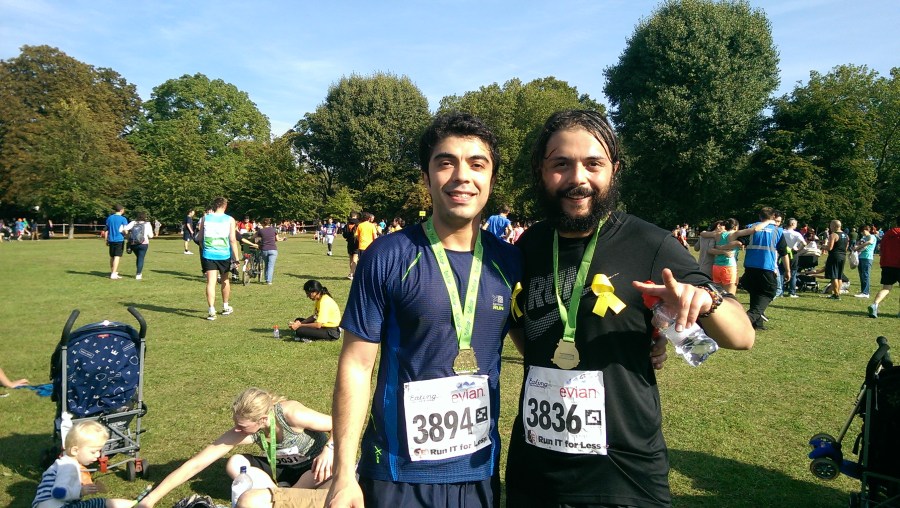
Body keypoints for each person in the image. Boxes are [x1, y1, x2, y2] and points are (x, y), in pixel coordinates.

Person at [504, 109, 755, 507]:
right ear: (541, 171)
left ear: (614, 170)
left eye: (593, 164)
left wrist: (709, 300)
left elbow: (742, 336)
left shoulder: (650, 243)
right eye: (561, 164)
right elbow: (522, 325)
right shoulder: (529, 246)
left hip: (623, 475)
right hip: (535, 473)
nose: (578, 179)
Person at [326, 113, 522, 508]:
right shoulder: (387, 255)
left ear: (492, 178)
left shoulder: (511, 261)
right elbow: (356, 366)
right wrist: (344, 474)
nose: (462, 176)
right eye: (446, 162)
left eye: (477, 164)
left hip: (479, 472)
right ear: (426, 176)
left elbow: (540, 348)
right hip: (398, 473)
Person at [136, 388, 333, 508]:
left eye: (242, 426)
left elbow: (340, 425)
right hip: (281, 469)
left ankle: (281, 497)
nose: (237, 429)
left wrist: (329, 450)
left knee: (318, 472)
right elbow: (197, 463)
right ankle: (276, 495)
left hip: (313, 467)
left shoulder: (291, 414)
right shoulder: (248, 429)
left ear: (263, 419)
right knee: (235, 462)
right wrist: (151, 499)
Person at [34, 420, 133, 508]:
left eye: (99, 451)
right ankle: (136, 504)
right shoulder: (68, 466)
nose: (98, 455)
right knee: (101, 503)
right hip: (58, 505)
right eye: (93, 452)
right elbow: (58, 492)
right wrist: (81, 491)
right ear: (75, 451)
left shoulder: (63, 462)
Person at [736, 207, 787, 330]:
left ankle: (758, 324)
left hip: (750, 266)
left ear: (760, 216)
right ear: (773, 216)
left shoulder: (750, 227)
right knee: (769, 293)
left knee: (756, 292)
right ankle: (747, 319)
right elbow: (783, 252)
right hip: (766, 267)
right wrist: (788, 270)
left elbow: (740, 242)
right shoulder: (777, 231)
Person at [196, 197, 240, 320]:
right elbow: (232, 239)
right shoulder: (230, 219)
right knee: (225, 279)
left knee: (211, 282)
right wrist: (236, 258)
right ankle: (225, 306)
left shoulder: (205, 218)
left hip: (209, 253)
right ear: (225, 206)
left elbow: (200, 238)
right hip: (224, 253)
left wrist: (204, 248)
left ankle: (211, 310)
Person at [869, 215, 900, 318]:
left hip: (887, 264)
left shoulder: (887, 234)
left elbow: (881, 248)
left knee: (886, 288)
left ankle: (875, 304)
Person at [121, 212, 154, 280]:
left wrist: (128, 237)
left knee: (138, 257)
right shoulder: (147, 224)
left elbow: (124, 229)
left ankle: (139, 272)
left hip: (133, 243)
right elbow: (151, 236)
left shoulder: (133, 223)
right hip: (143, 243)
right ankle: (138, 274)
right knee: (141, 258)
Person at [822, 219, 849, 299]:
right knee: (839, 276)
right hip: (843, 256)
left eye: (831, 225)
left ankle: (836, 295)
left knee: (834, 276)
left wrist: (823, 246)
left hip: (834, 256)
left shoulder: (833, 235)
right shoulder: (846, 235)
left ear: (834, 226)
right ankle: (838, 293)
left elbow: (830, 248)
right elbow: (846, 248)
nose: (830, 227)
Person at [254, 218, 285, 285]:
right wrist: (282, 239)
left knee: (266, 264)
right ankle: (269, 280)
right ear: (269, 223)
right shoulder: (273, 230)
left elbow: (253, 237)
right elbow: (277, 239)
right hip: (273, 249)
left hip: (264, 249)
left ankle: (266, 278)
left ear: (262, 223)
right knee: (271, 265)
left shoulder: (260, 231)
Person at [782, 218, 807, 297]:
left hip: (783, 252)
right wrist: (799, 250)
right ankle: (792, 292)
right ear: (792, 224)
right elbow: (804, 243)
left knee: (782, 271)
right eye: (796, 224)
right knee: (793, 272)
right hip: (793, 252)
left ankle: (780, 290)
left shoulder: (782, 232)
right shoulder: (796, 234)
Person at [105, 205, 129, 280]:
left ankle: (113, 272)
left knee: (112, 256)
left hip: (111, 239)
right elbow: (125, 230)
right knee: (117, 256)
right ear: (121, 210)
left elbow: (107, 229)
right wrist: (127, 235)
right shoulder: (123, 219)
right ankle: (113, 274)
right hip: (119, 239)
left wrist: (106, 239)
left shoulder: (109, 218)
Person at [853, 225, 877, 298]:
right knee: (861, 275)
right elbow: (857, 243)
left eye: (863, 232)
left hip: (867, 258)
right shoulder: (863, 238)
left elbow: (870, 242)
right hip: (860, 257)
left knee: (865, 275)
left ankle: (866, 293)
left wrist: (858, 247)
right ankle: (863, 291)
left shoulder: (872, 237)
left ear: (866, 230)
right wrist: (856, 247)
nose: (862, 233)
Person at [342, 212, 360, 280]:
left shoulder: (347, 224)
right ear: (356, 216)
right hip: (356, 242)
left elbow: (344, 235)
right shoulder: (358, 224)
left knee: (351, 258)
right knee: (355, 258)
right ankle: (351, 274)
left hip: (349, 243)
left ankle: (352, 272)